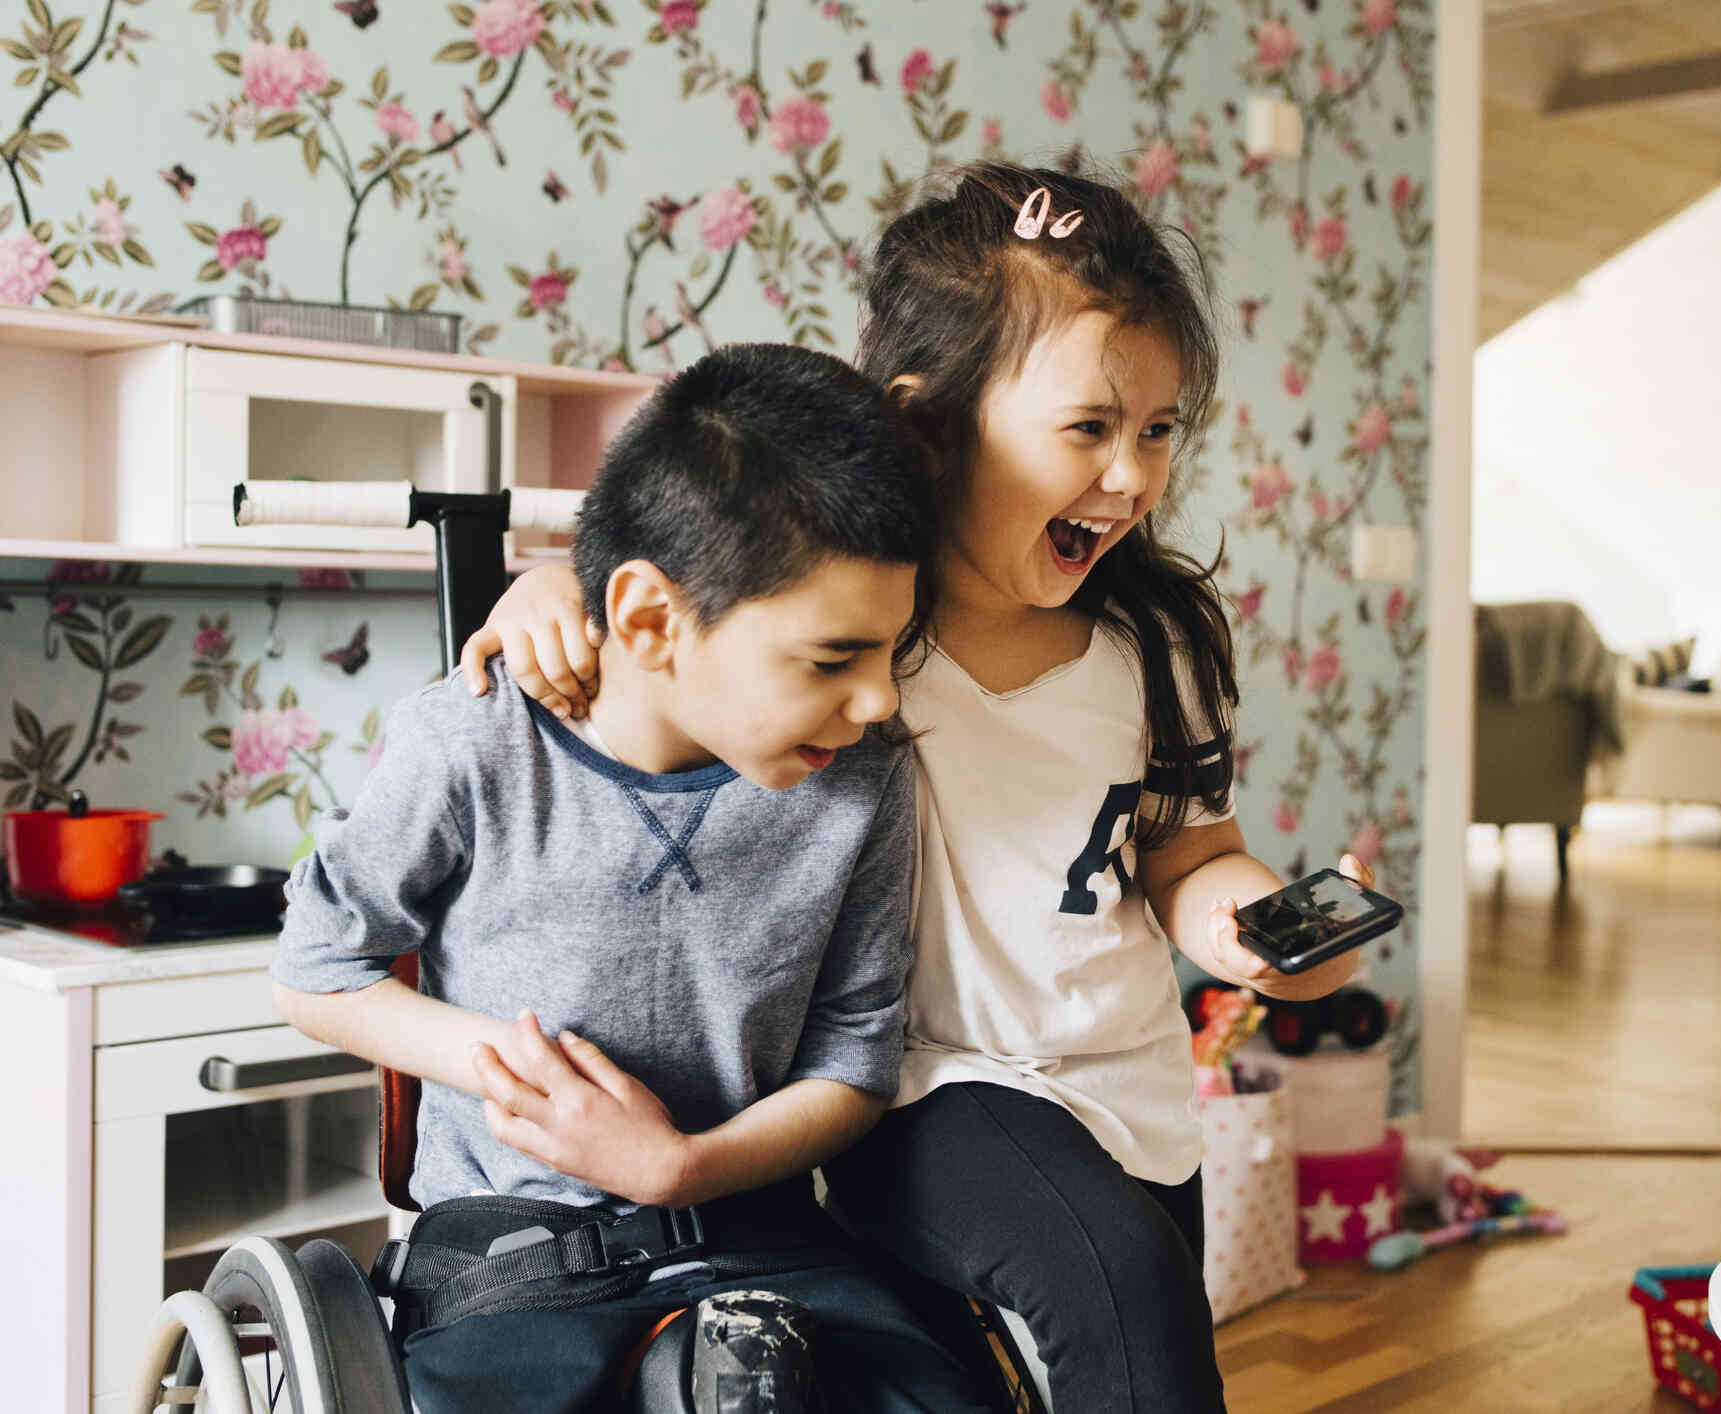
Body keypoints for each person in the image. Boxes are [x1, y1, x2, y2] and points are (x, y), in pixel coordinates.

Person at [462, 162, 1378, 1413]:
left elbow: (1183, 853)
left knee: (1123, 1349)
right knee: (1121, 1292)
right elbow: (683, 586)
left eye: (1159, 430)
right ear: (929, 423)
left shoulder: (1151, 643)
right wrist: (548, 590)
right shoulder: (855, 627)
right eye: (1090, 428)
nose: (1132, 477)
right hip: (920, 1085)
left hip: (1128, 1084)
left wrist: (1259, 938)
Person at [270, 343, 994, 1414]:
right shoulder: (477, 740)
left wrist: (678, 1168)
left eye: (893, 651)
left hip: (762, 1230)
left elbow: (854, 1061)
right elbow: (313, 970)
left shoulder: (863, 784)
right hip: (516, 1252)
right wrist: (524, 1076)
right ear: (652, 620)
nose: (881, 699)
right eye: (835, 658)